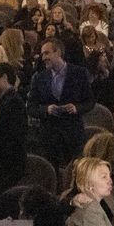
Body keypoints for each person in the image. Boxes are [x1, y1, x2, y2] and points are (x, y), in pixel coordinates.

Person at [28, 39, 94, 169]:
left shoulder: (79, 73)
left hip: (73, 135)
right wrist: (46, 109)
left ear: (58, 52)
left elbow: (90, 101)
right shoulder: (39, 77)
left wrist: (76, 108)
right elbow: (31, 107)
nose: (43, 58)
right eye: (42, 54)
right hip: (49, 137)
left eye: (46, 53)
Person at [0, 64, 28, 197]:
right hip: (3, 170)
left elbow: (10, 140)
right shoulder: (8, 101)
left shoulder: (13, 103)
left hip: (6, 170)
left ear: (4, 77)